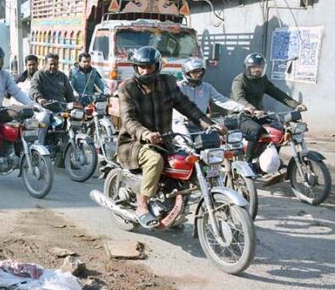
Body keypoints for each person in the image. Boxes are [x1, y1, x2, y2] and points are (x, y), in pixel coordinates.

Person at [117, 47, 223, 229]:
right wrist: (145, 133)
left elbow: (187, 107)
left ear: (157, 66)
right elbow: (128, 119)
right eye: (140, 67)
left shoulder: (168, 83)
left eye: (149, 66)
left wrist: (209, 125)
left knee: (187, 162)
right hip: (135, 142)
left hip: (165, 140)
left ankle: (175, 207)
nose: (145, 71)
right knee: (155, 160)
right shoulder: (127, 87)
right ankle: (142, 204)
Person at [231, 53, 307, 163]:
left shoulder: (263, 80)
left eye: (260, 67)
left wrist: (296, 104)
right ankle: (248, 161)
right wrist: (250, 108)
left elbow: (277, 93)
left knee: (280, 128)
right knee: (256, 129)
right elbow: (239, 98)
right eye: (254, 67)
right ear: (247, 68)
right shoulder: (239, 80)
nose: (257, 70)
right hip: (240, 115)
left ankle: (272, 158)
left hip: (258, 114)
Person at [173, 57, 256, 135]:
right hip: (180, 123)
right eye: (194, 72)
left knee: (216, 141)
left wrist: (242, 108)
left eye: (200, 71)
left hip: (200, 123)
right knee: (187, 145)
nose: (198, 74)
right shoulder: (179, 87)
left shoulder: (207, 87)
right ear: (187, 73)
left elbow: (223, 100)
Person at [30, 53, 77, 145]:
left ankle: (70, 146)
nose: (53, 66)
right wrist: (40, 99)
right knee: (44, 119)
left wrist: (75, 104)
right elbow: (33, 89)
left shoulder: (62, 76)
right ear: (45, 63)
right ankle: (39, 146)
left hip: (61, 109)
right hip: (44, 109)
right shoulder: (39, 75)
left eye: (55, 64)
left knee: (76, 118)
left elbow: (69, 94)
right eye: (51, 64)